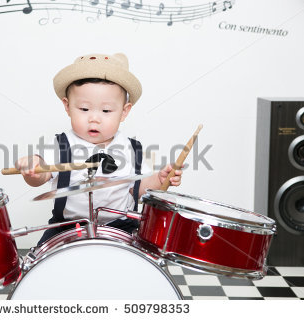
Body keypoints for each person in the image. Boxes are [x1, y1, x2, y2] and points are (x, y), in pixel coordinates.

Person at [15, 53, 183, 245]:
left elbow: (138, 190)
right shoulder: (61, 145)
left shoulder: (131, 149)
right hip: (68, 226)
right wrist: (32, 168)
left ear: (124, 111)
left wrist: (161, 180)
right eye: (84, 109)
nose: (94, 118)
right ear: (67, 106)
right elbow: (40, 176)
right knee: (42, 265)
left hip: (120, 227)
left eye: (106, 111)